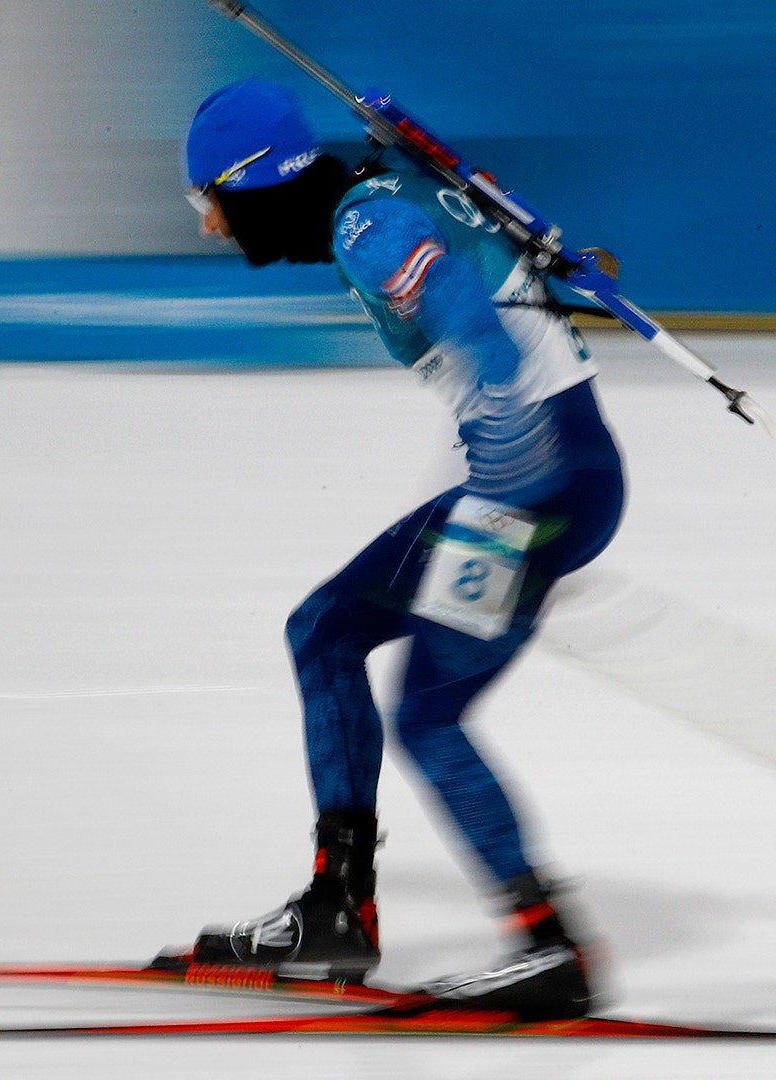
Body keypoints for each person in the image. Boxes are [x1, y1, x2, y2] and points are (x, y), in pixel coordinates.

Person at [176, 79, 626, 1020]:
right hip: (545, 477)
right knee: (325, 630)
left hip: (530, 485)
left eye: (207, 199)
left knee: (429, 714)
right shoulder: (392, 203)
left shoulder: (368, 229)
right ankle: (338, 907)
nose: (212, 225)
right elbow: (511, 280)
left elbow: (480, 339)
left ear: (253, 181)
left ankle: (550, 951)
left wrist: (505, 492)